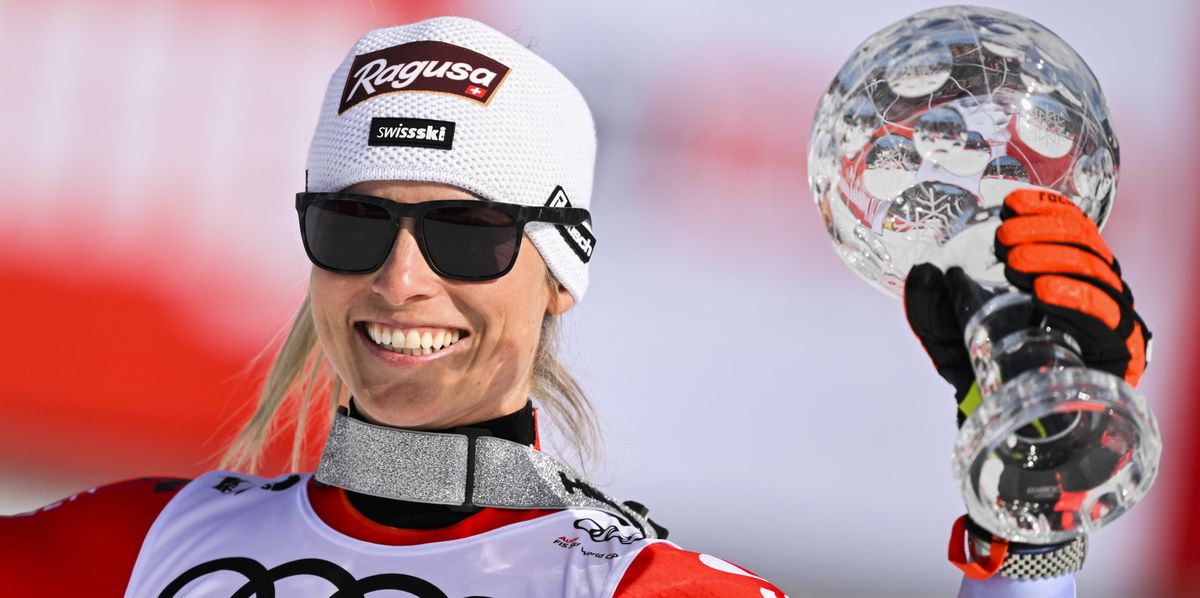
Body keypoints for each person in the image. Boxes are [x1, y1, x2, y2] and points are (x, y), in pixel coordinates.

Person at [0, 16, 1150, 598]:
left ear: (562, 267)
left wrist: (1035, 532)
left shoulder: (635, 591)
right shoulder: (130, 550)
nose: (403, 280)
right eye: (355, 225)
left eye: (467, 232)